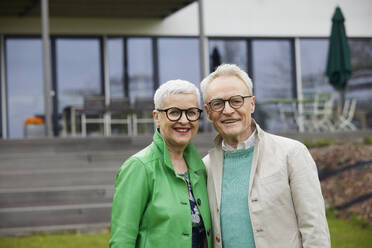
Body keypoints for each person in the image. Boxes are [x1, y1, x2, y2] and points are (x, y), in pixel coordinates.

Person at [200, 64, 330, 248]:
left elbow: (315, 229)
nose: (228, 110)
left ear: (251, 104)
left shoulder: (291, 153)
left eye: (236, 100)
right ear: (208, 112)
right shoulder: (205, 166)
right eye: (218, 103)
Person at [110, 80, 213, 248]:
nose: (184, 120)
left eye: (191, 112)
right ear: (157, 117)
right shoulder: (139, 167)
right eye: (174, 113)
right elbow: (122, 239)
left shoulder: (201, 168)